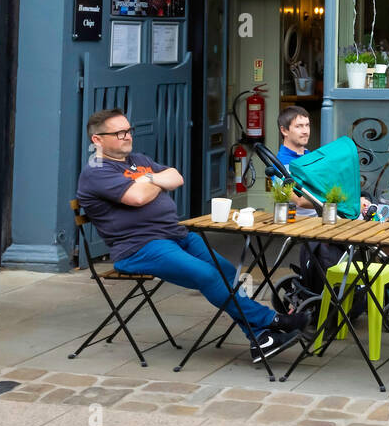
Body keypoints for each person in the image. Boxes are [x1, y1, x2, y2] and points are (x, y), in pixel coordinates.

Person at [77, 108, 303, 364]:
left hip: (176, 235)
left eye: (129, 130)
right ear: (97, 140)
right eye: (119, 133)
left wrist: (148, 178)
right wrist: (156, 181)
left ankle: (261, 338)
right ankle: (271, 320)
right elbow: (137, 197)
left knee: (227, 270)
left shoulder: (137, 160)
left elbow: (176, 177)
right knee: (206, 275)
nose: (127, 136)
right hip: (139, 247)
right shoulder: (97, 171)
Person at [275, 105, 389, 224]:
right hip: (328, 220)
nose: (305, 131)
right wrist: (351, 203)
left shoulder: (310, 157)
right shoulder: (281, 165)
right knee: (388, 229)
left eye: (307, 125)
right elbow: (299, 201)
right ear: (284, 130)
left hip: (344, 212)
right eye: (299, 126)